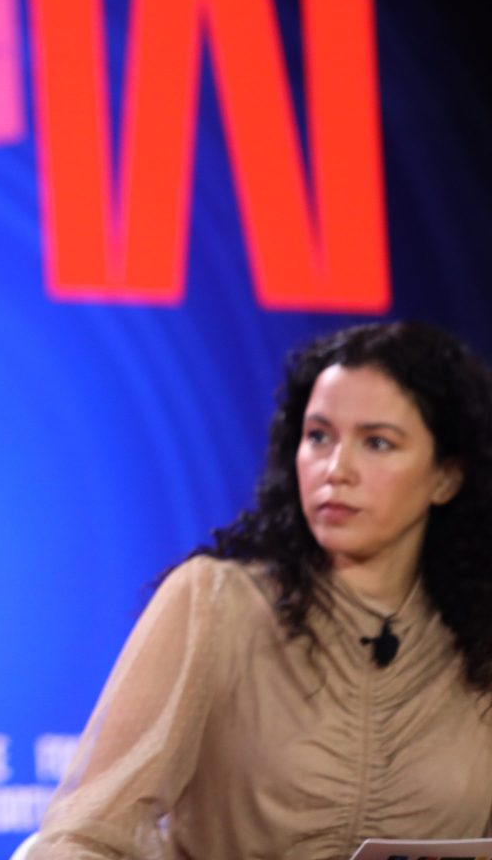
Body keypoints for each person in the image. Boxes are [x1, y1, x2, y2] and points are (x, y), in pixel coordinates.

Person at [30, 321, 492, 859]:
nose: (336, 469)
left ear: (446, 477)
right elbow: (82, 838)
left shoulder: (480, 640)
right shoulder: (214, 603)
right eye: (319, 436)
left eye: (377, 443)